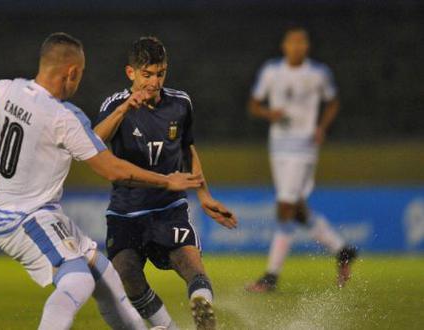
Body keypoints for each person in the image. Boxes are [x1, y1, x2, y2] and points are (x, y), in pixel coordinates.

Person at [0, 32, 203, 330]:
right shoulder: (64, 117)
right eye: (81, 74)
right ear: (72, 72)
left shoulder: (5, 89)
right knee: (76, 280)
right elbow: (114, 170)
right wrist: (167, 181)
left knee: (107, 277)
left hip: (42, 215)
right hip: (24, 218)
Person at [94, 36, 238, 330]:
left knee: (191, 264)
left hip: (168, 209)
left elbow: (188, 149)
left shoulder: (180, 103)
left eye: (160, 73)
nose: (154, 81)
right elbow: (93, 142)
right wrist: (125, 110)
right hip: (126, 214)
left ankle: (202, 306)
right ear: (130, 73)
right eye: (147, 74)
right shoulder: (115, 104)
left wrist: (204, 194)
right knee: (127, 275)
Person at [246, 26, 357, 292]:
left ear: (307, 47)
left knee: (285, 205)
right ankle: (342, 249)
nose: (297, 47)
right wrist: (268, 113)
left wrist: (321, 127)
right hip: (278, 146)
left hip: (304, 146)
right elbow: (254, 104)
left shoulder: (318, 73)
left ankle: (271, 276)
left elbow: (333, 102)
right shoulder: (271, 71)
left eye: (301, 42)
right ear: (284, 45)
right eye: (292, 42)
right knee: (297, 208)